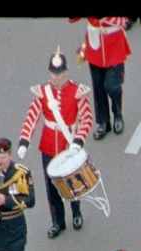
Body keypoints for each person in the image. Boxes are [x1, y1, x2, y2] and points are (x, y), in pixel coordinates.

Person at [17, 48, 92, 239]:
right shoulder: (43, 93)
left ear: (66, 72)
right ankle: (57, 221)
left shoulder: (77, 91)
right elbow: (32, 117)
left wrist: (78, 140)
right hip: (49, 143)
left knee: (73, 181)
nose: (57, 77)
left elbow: (87, 118)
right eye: (53, 74)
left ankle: (76, 212)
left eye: (60, 74)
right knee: (51, 186)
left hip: (69, 143)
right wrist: (24, 141)